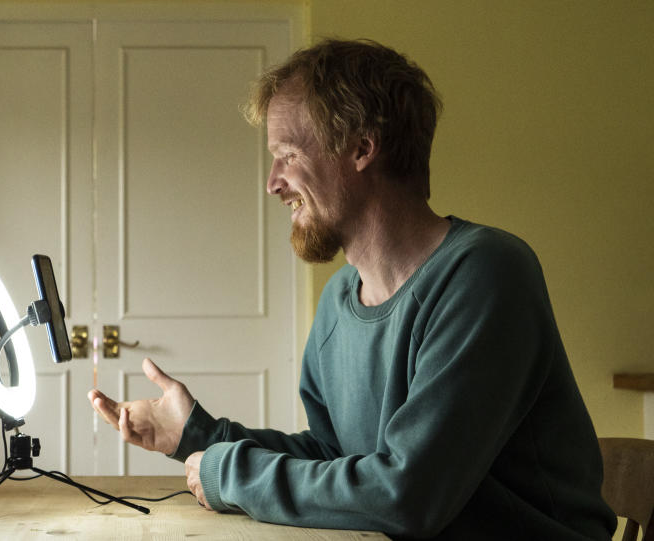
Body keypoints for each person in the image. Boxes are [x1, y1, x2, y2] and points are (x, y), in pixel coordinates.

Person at [87, 38, 616, 540]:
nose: (273, 182)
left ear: (362, 147)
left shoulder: (486, 274)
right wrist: (198, 437)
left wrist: (230, 472)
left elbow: (408, 494)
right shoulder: (340, 298)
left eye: (288, 154)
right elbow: (336, 456)